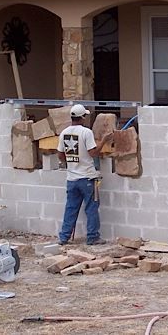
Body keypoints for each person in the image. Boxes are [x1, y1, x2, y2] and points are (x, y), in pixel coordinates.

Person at [57, 104, 112, 245]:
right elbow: (93, 153)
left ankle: (64, 237)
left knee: (70, 208)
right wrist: (104, 140)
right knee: (91, 208)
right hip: (87, 177)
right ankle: (92, 237)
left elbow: (60, 155)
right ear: (82, 117)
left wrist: (72, 163)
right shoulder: (86, 132)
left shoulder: (64, 133)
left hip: (72, 178)